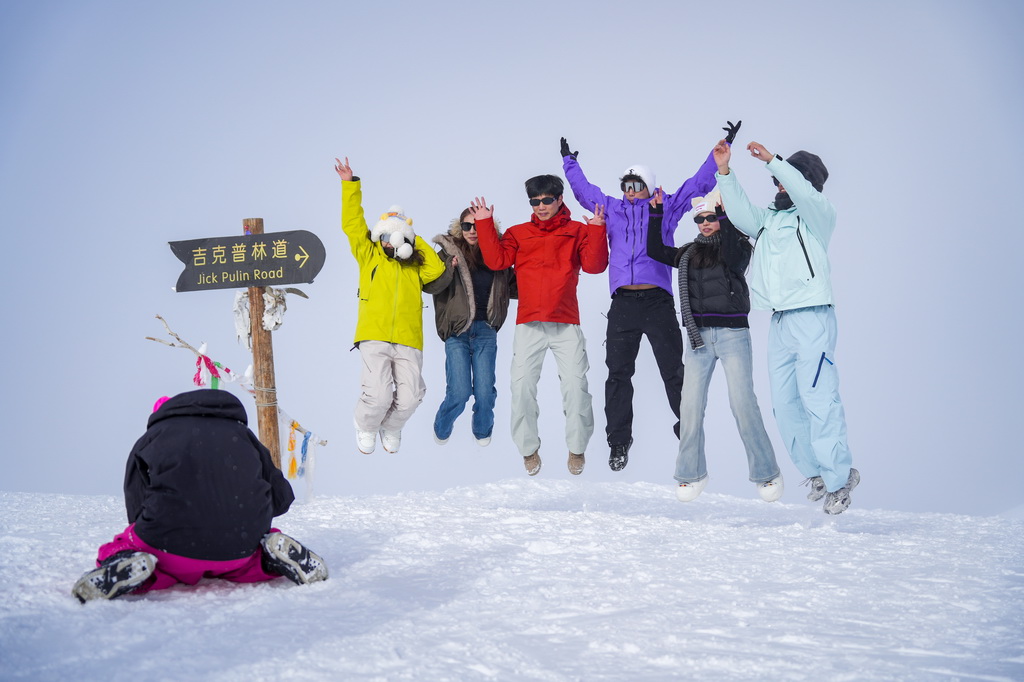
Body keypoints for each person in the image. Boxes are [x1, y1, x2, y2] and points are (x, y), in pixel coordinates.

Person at [560, 122, 739, 471]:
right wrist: (569, 161)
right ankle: (618, 442)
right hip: (623, 303)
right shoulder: (611, 208)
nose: (629, 191)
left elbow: (698, 183)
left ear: (649, 186)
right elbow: (584, 192)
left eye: (636, 185)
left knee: (673, 370)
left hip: (657, 301)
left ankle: (686, 426)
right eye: (625, 186)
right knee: (617, 373)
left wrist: (723, 148)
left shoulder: (666, 207)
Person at [713, 139, 859, 515]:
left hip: (812, 316)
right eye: (777, 182)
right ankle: (817, 474)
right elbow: (742, 213)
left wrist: (774, 163)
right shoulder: (770, 219)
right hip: (780, 319)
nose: (779, 187)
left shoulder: (818, 215)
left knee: (819, 398)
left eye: (785, 181)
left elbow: (802, 191)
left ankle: (840, 479)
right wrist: (725, 172)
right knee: (784, 404)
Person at [72, 390, 328, 603]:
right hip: (239, 545)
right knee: (249, 561)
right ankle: (269, 557)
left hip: (169, 542)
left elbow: (135, 497)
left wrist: (148, 531)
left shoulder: (152, 437)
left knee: (152, 557)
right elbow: (281, 497)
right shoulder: (244, 435)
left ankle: (131, 561)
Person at [646, 187, 782, 503]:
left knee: (742, 403)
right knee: (690, 408)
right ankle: (691, 474)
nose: (706, 224)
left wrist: (725, 213)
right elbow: (655, 249)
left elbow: (735, 259)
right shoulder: (689, 254)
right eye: (701, 220)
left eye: (710, 218)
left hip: (733, 334)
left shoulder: (738, 247)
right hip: (698, 339)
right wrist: (656, 213)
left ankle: (766, 473)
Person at [472, 175, 608, 476]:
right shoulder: (518, 234)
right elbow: (496, 261)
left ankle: (577, 448)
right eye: (535, 201)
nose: (541, 206)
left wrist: (597, 231)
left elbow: (596, 266)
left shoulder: (577, 231)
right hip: (529, 323)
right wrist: (484, 223)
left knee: (575, 387)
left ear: (560, 199)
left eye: (547, 200)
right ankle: (528, 449)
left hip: (565, 323)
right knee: (521, 388)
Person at [334, 156, 447, 455]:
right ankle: (367, 425)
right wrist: (349, 186)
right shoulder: (368, 255)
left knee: (412, 397)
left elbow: (435, 270)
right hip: (374, 335)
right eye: (386, 236)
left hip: (409, 338)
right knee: (379, 395)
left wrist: (412, 236)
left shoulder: (414, 267)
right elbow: (352, 225)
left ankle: (392, 426)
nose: (390, 242)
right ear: (379, 236)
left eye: (395, 238)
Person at [429, 207, 516, 446]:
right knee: (459, 392)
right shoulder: (447, 254)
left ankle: (482, 430)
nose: (472, 231)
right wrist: (450, 268)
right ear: (460, 228)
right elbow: (431, 286)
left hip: (486, 331)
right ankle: (441, 426)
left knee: (486, 393)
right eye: (467, 226)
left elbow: (515, 287)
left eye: (477, 226)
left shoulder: (498, 256)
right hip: (457, 332)